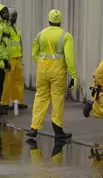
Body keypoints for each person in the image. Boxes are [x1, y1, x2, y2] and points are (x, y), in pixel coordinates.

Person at [27, 9, 77, 139]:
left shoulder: (40, 34)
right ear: (60, 21)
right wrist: (73, 75)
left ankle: (34, 127)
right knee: (57, 98)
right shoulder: (66, 36)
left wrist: (42, 62)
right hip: (58, 70)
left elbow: (34, 53)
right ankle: (58, 130)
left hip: (42, 69)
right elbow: (69, 58)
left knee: (40, 97)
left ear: (49, 20)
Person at [0, 7, 27, 110]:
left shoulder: (15, 28)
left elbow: (19, 42)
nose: (15, 18)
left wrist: (21, 54)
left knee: (19, 81)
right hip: (10, 58)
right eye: (13, 16)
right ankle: (4, 103)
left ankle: (17, 102)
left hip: (17, 58)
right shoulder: (5, 28)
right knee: (7, 82)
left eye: (16, 16)